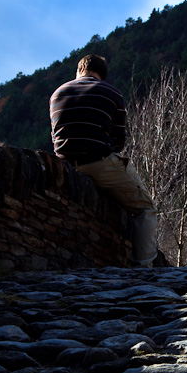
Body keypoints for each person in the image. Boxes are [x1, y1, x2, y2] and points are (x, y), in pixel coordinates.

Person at [50, 54, 166, 267]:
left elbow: (56, 134)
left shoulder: (57, 93)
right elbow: (119, 140)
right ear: (101, 74)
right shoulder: (111, 93)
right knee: (146, 208)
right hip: (99, 162)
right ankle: (143, 266)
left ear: (81, 69)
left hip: (65, 164)